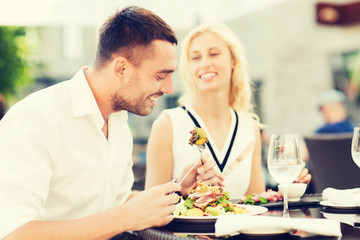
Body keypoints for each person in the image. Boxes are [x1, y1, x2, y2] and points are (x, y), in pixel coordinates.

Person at [0, 6, 220, 240]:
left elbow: (116, 201)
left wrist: (178, 188)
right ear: (121, 68)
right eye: (160, 76)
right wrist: (125, 218)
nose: (169, 89)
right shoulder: (37, 119)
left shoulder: (118, 121)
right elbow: (13, 232)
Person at [145, 23, 311, 199]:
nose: (205, 63)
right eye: (195, 58)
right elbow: (149, 205)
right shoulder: (168, 123)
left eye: (214, 54)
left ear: (233, 61)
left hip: (239, 228)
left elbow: (255, 203)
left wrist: (287, 191)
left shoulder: (249, 127)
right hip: (184, 228)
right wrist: (182, 190)